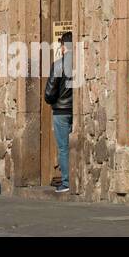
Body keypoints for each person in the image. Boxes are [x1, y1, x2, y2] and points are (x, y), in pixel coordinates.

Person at [44, 32, 74, 193]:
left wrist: (53, 101)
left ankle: (66, 181)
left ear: (64, 46)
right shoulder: (82, 64)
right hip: (76, 111)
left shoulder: (58, 65)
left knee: (63, 148)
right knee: (76, 146)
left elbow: (49, 93)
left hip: (61, 111)